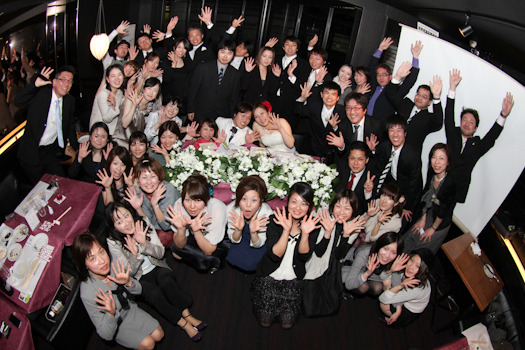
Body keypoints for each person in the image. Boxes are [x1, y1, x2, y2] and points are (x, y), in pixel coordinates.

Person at [106, 202, 205, 341]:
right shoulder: (114, 242)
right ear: (114, 226)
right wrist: (135, 257)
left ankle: (186, 313)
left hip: (157, 266)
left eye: (126, 216)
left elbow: (160, 253)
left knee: (166, 279)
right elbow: (128, 274)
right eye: (119, 222)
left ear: (131, 213)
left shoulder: (143, 222)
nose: (126, 223)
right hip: (138, 278)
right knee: (153, 293)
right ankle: (183, 324)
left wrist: (144, 244)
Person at [72, 232, 164, 349]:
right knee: (148, 344)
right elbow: (106, 335)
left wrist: (128, 282)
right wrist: (111, 313)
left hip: (130, 310)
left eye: (101, 252)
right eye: (93, 258)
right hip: (116, 324)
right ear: (85, 265)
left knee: (159, 334)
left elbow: (139, 291)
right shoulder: (87, 292)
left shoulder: (113, 263)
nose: (102, 261)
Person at [252, 182, 321, 329]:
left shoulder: (312, 225)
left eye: (303, 204)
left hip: (293, 280)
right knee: (265, 321)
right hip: (269, 276)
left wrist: (305, 233)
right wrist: (286, 230)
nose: (297, 208)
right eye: (294, 202)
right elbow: (275, 255)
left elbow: (304, 256)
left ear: (309, 207)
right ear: (288, 201)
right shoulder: (275, 219)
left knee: (287, 324)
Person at [445, 69, 514, 203]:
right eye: (464, 119)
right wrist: (452, 88)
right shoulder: (453, 134)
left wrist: (503, 115)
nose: (467, 123)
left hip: (455, 194)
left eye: (471, 122)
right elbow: (448, 116)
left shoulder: (477, 146)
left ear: (475, 128)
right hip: (438, 185)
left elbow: (492, 136)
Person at [15, 66, 79, 184]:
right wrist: (34, 85)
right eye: (63, 79)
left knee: (62, 183)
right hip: (31, 152)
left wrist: (77, 149)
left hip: (49, 151)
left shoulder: (70, 101)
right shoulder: (41, 94)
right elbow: (17, 102)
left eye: (70, 81)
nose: (66, 83)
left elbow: (70, 125)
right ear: (54, 82)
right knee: (42, 188)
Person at [167, 174, 228, 273]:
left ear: (206, 198)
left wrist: (196, 231)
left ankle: (214, 262)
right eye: (187, 200)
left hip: (216, 241)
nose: (192, 206)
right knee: (176, 252)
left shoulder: (217, 208)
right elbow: (180, 245)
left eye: (198, 200)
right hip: (194, 234)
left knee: (204, 264)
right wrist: (181, 229)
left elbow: (209, 250)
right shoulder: (179, 205)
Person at [403, 143, 457, 254]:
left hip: (440, 221)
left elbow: (442, 211)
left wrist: (432, 228)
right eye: (434, 157)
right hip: (429, 211)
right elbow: (425, 196)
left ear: (448, 162)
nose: (437, 162)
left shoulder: (449, 183)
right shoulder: (432, 173)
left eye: (441, 158)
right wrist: (423, 218)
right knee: (410, 236)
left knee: (421, 245)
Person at [384, 64, 443, 157]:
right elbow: (389, 93)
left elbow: (439, 122)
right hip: (389, 150)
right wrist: (398, 77)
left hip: (409, 158)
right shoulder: (406, 104)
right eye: (418, 94)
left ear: (429, 102)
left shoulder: (428, 118)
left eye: (424, 97)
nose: (419, 98)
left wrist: (436, 97)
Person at [374, 115, 422, 222]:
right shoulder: (385, 147)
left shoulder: (412, 155)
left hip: (407, 192)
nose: (395, 134)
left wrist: (406, 206)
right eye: (391, 130)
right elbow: (379, 169)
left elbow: (414, 184)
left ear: (405, 133)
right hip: (391, 186)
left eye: (399, 130)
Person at [126, 158, 181, 246]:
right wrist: (138, 208)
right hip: (154, 226)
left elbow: (166, 226)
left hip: (175, 228)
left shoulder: (168, 190)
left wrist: (155, 205)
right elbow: (147, 223)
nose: (149, 182)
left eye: (153, 176)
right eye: (144, 177)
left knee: (159, 239)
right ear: (138, 180)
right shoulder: (140, 192)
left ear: (158, 177)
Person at [367, 38, 421, 121]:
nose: (381, 77)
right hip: (365, 122)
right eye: (378, 75)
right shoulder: (374, 86)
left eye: (384, 75)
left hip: (380, 128)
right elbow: (371, 67)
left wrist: (415, 57)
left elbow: (410, 81)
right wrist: (380, 49)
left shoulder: (395, 93)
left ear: (390, 76)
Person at [226, 175, 272, 272]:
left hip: (258, 242)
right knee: (233, 258)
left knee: (254, 265)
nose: (248, 205)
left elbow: (259, 244)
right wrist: (238, 230)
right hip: (240, 239)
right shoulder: (232, 209)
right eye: (244, 199)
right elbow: (233, 239)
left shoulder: (266, 213)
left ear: (261, 200)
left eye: (254, 200)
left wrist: (254, 232)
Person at [187, 40, 241, 122]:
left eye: (229, 53)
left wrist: (231, 117)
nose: (225, 56)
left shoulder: (235, 74)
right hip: (201, 112)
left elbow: (234, 98)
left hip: (222, 116)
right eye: (222, 52)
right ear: (217, 52)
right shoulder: (203, 68)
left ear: (233, 55)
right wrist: (190, 109)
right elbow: (192, 90)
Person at [341, 231, 407, 296]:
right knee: (363, 287)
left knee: (377, 288)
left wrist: (391, 271)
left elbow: (396, 288)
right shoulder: (364, 253)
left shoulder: (395, 260)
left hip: (372, 273)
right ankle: (343, 290)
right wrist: (367, 273)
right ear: (379, 245)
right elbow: (349, 284)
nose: (387, 255)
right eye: (385, 249)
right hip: (351, 266)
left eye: (393, 252)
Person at [379, 249, 432, 327]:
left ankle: (394, 319)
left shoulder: (415, 288)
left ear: (423, 270)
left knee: (383, 303)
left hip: (410, 309)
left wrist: (399, 286)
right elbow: (383, 276)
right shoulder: (406, 267)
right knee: (387, 282)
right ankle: (396, 311)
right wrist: (391, 270)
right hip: (405, 295)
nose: (411, 267)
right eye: (411, 260)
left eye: (417, 266)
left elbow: (382, 299)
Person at [269, 36, 310, 130]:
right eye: (287, 44)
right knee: (270, 129)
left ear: (297, 48)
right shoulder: (275, 60)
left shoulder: (303, 64)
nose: (290, 47)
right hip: (274, 101)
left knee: (287, 131)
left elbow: (301, 85)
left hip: (290, 104)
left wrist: (291, 75)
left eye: (293, 45)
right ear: (283, 47)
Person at [295, 81, 345, 158]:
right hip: (313, 150)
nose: (329, 97)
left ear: (338, 98)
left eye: (333, 94)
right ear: (321, 94)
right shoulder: (314, 106)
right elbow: (297, 110)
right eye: (327, 93)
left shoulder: (343, 112)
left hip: (333, 154)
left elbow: (344, 135)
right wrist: (303, 98)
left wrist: (335, 127)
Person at [113, 77, 161, 148]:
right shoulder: (131, 99)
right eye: (149, 89)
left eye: (155, 91)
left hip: (135, 145)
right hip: (121, 141)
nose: (151, 93)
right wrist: (134, 105)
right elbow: (125, 124)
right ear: (143, 89)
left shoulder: (150, 107)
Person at [333, 141, 375, 215]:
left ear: (367, 160)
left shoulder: (371, 179)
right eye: (352, 158)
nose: (355, 163)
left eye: (360, 159)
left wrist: (368, 192)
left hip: (356, 218)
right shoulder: (341, 168)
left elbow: (368, 209)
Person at [89, 64, 125, 134]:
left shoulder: (119, 93)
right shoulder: (103, 94)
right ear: (107, 79)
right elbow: (106, 118)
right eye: (113, 76)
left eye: (119, 75)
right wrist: (113, 106)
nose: (117, 79)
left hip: (113, 133)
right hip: (99, 133)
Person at [162, 38, 190, 108]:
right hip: (169, 101)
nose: (181, 51)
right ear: (174, 48)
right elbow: (166, 80)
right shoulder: (166, 62)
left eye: (184, 48)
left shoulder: (187, 63)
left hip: (182, 101)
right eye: (179, 47)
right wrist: (174, 64)